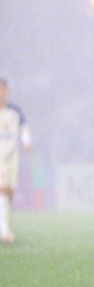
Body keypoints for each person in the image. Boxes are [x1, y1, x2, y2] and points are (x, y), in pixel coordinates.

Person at [0, 78, 32, 243]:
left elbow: (23, 127)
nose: (3, 93)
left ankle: (3, 224)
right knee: (3, 189)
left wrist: (26, 141)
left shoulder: (15, 110)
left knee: (10, 192)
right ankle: (4, 231)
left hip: (12, 155)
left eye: (5, 90)